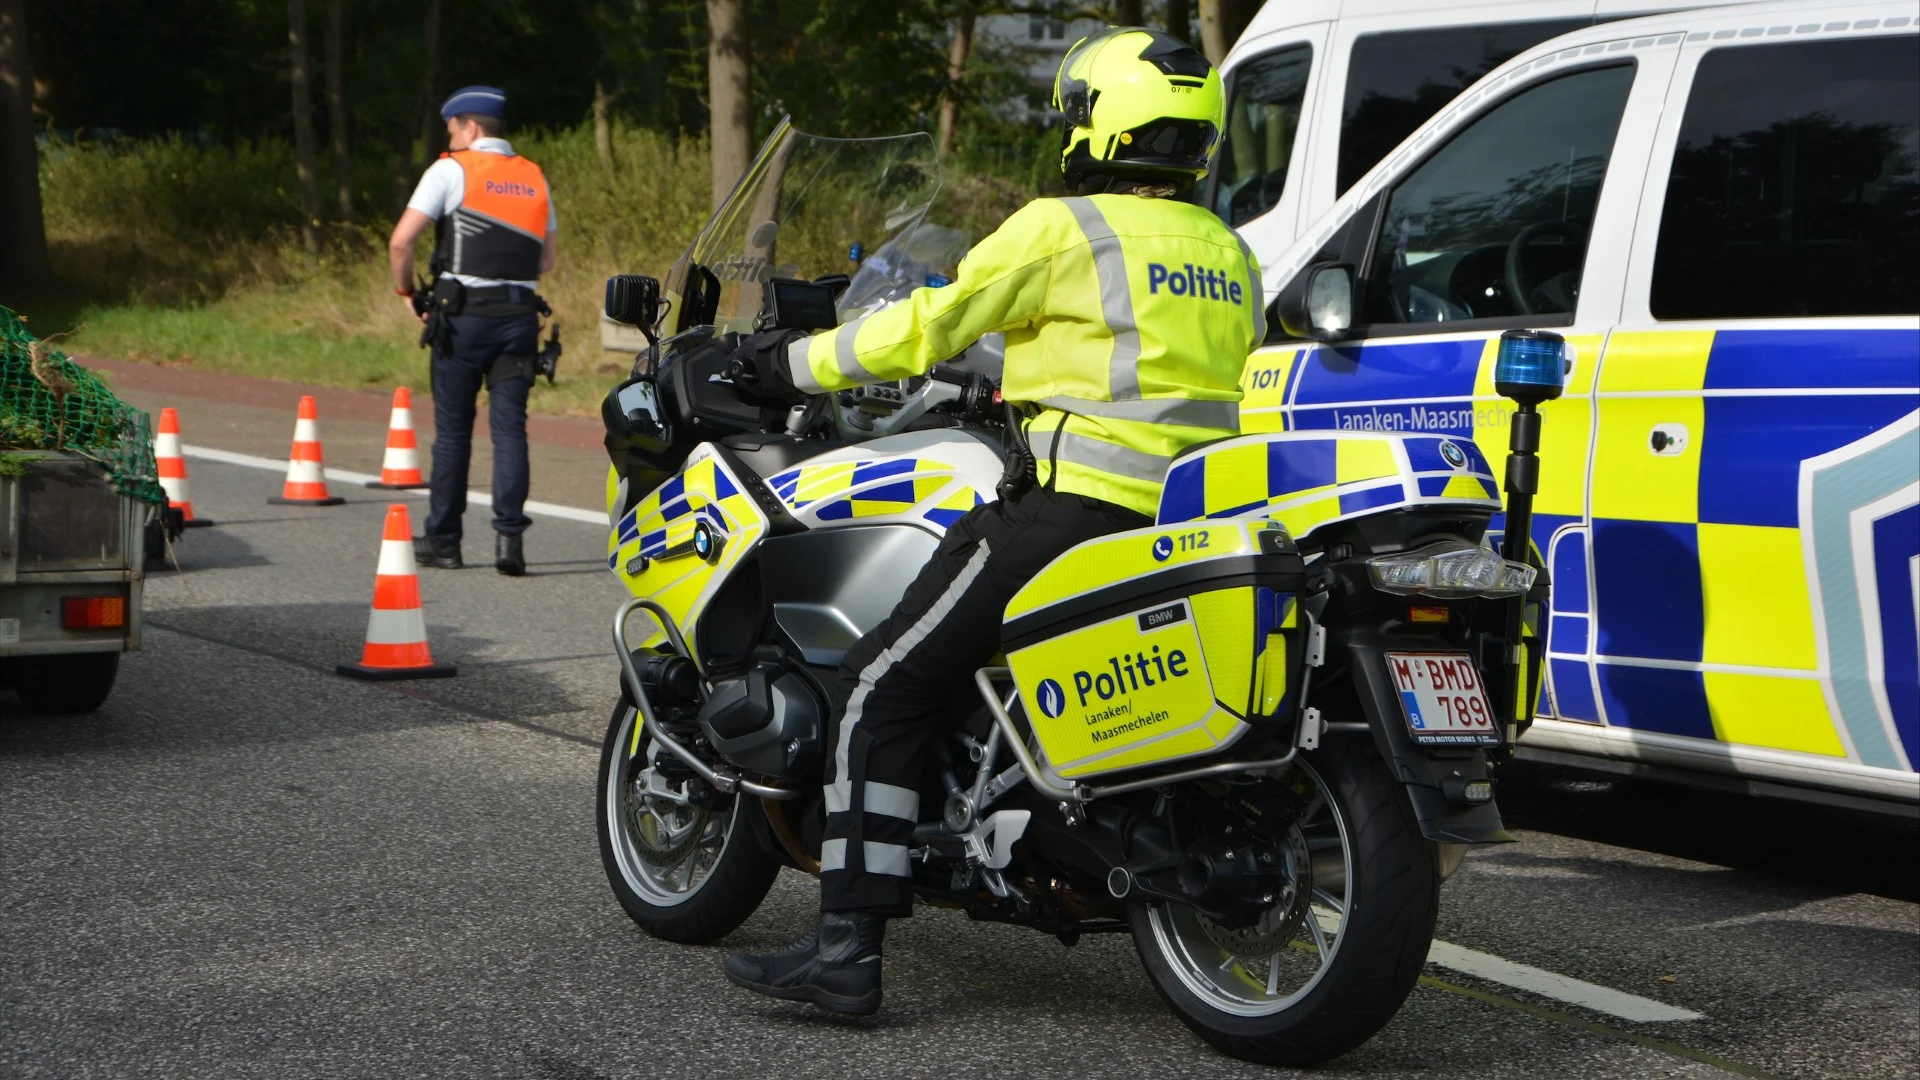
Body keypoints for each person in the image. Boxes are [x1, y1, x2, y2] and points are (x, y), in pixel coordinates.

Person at [721, 27, 1266, 1016]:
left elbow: (928, 323)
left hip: (1070, 513)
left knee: (880, 687)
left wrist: (787, 365)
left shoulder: (1065, 228)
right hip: (1188, 525)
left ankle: (845, 947)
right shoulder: (1229, 253)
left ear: (1095, 126)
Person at [387, 85, 557, 576]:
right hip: (519, 320)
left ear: (472, 127)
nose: (452, 138)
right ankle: (509, 544)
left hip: (463, 322)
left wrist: (407, 294)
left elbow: (402, 243)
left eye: (453, 130)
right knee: (509, 432)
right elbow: (547, 259)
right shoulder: (534, 177)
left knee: (454, 433)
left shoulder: (451, 170)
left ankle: (444, 541)